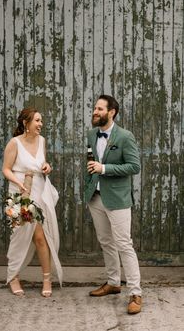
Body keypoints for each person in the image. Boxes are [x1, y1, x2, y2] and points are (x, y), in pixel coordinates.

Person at [85, 95, 142, 314]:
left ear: (112, 112)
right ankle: (113, 282)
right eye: (94, 108)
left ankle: (136, 293)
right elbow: (91, 161)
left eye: (99, 108)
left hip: (117, 200)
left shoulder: (125, 136)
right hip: (96, 197)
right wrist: (90, 182)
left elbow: (134, 167)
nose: (95, 111)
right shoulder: (92, 134)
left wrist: (105, 169)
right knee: (105, 242)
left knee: (124, 244)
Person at [2, 107, 62, 297]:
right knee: (20, 236)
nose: (40, 124)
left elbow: (42, 164)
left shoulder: (42, 140)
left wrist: (46, 166)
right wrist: (19, 182)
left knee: (41, 237)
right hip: (21, 193)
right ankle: (13, 277)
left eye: (41, 120)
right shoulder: (14, 143)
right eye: (37, 121)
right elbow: (6, 169)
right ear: (25, 124)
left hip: (39, 190)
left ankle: (47, 278)